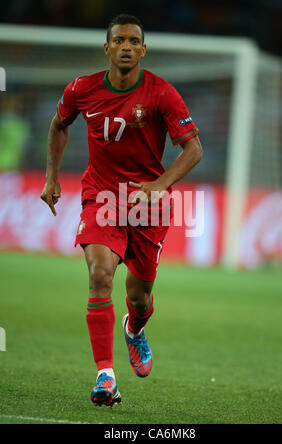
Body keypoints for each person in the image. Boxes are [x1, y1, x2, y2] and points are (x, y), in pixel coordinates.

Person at [41, 14, 203, 408]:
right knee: (99, 275)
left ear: (143, 50)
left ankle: (134, 329)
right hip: (102, 196)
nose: (127, 46)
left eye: (134, 41)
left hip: (149, 204)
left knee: (141, 296)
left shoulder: (162, 94)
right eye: (119, 40)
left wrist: (159, 186)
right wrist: (51, 177)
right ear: (107, 48)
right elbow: (59, 124)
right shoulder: (82, 88)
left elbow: (194, 148)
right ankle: (105, 376)